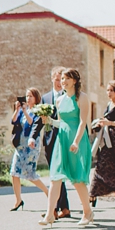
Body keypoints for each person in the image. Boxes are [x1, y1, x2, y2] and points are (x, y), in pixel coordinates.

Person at [41, 68, 94, 227]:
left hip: (76, 140)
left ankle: (87, 212)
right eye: (62, 79)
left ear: (75, 81)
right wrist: (49, 121)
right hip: (62, 140)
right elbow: (61, 123)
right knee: (55, 178)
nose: (63, 81)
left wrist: (76, 141)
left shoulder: (82, 98)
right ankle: (50, 215)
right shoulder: (59, 100)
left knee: (77, 178)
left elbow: (82, 122)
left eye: (66, 79)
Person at [9, 88, 49, 211]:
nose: (28, 98)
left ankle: (49, 193)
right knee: (14, 173)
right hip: (20, 146)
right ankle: (18, 200)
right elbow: (13, 121)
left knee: (30, 175)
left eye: (31, 96)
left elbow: (33, 124)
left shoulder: (38, 111)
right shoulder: (22, 110)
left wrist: (26, 112)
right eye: (27, 96)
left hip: (31, 146)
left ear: (36, 98)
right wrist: (17, 110)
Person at [42, 68, 72, 220]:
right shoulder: (45, 98)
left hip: (65, 139)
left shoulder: (69, 97)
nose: (60, 83)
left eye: (62, 79)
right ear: (52, 79)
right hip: (49, 140)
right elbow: (38, 121)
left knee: (58, 174)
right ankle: (63, 208)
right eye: (57, 79)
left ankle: (55, 209)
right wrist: (33, 137)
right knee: (56, 174)